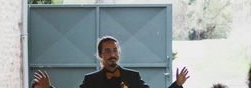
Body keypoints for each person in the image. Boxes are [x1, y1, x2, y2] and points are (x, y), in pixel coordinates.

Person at [32, 36, 189, 88]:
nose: (112, 54)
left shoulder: (133, 77)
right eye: (107, 51)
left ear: (119, 53)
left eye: (114, 50)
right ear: (100, 55)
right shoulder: (91, 80)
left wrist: (177, 85)